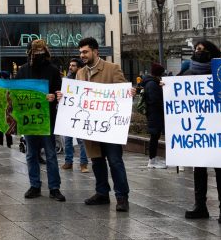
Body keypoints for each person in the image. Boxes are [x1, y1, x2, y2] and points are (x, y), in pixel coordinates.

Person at [77, 37, 135, 212]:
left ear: (95, 52)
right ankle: (102, 193)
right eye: (80, 53)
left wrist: (128, 91)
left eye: (85, 52)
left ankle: (121, 196)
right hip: (91, 126)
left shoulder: (112, 68)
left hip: (110, 126)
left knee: (115, 161)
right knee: (97, 161)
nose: (82, 55)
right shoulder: (80, 73)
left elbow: (122, 91)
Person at [181, 40, 221, 224]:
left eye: (201, 49)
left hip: (218, 130)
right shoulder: (187, 74)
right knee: (199, 168)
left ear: (211, 53)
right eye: (196, 49)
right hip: (198, 131)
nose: (197, 52)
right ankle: (200, 205)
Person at [16, 40, 65, 201]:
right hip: (29, 119)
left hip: (47, 118)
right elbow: (14, 92)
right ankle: (35, 185)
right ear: (29, 52)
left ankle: (54, 187)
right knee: (31, 154)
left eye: (40, 51)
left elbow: (60, 92)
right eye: (35, 52)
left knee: (50, 154)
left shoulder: (52, 70)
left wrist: (54, 96)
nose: (38, 55)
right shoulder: (23, 70)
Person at [62, 58, 89, 171]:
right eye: (70, 65)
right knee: (67, 140)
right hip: (69, 113)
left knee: (82, 141)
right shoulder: (66, 80)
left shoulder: (84, 79)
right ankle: (68, 162)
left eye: (73, 65)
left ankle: (83, 164)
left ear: (78, 68)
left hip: (81, 114)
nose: (70, 67)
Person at [144, 62, 166, 169]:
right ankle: (152, 161)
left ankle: (153, 160)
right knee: (154, 136)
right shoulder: (152, 84)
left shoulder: (152, 83)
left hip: (154, 114)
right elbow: (155, 100)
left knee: (155, 136)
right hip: (155, 115)